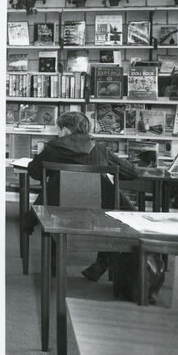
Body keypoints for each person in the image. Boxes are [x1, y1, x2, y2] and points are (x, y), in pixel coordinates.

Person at [26, 110, 138, 282]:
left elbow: (34, 172)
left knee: (55, 205)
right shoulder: (100, 149)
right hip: (99, 212)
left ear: (65, 131)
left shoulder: (52, 149)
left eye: (58, 130)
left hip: (57, 211)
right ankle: (103, 262)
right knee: (123, 212)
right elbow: (130, 173)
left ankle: (54, 263)